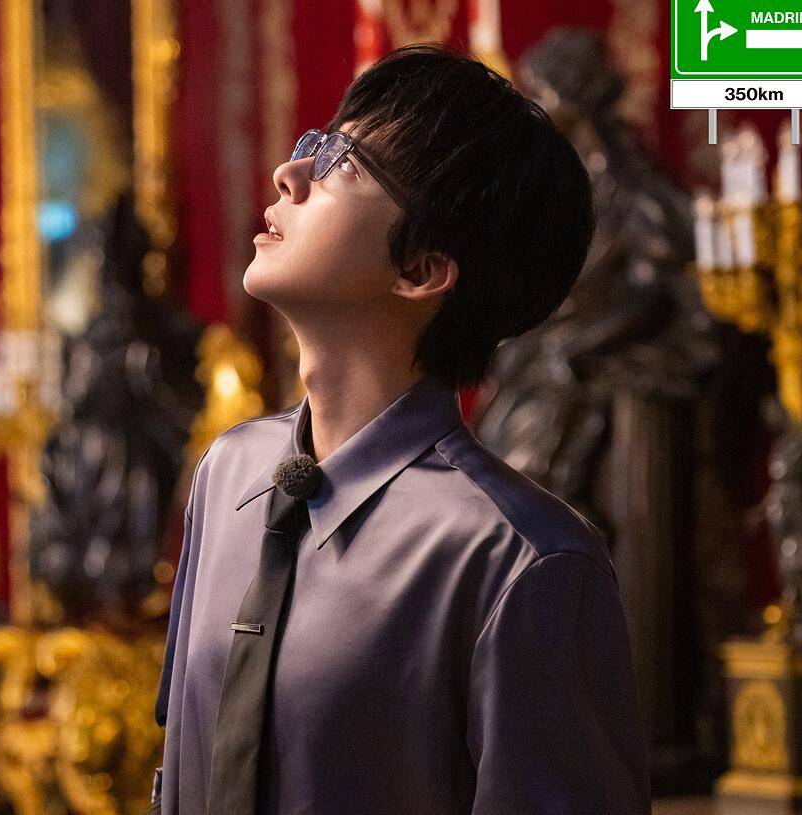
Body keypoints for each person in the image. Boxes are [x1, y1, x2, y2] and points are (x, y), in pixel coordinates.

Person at [153, 42, 649, 814]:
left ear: (420, 269)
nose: (289, 174)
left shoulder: (521, 560)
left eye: (341, 163)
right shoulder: (228, 472)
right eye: (312, 143)